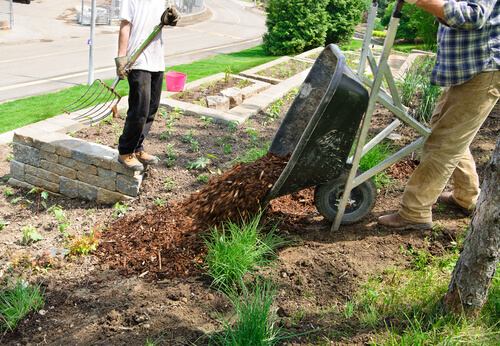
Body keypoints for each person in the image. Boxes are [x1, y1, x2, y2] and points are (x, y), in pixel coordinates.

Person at [378, 0, 500, 230]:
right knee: (445, 133)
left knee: (444, 142)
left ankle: (415, 212)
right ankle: (467, 197)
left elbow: (473, 16)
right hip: (468, 69)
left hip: (483, 68)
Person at [114, 1, 178, 170]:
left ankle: (137, 147)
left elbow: (167, 18)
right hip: (138, 60)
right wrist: (121, 58)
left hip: (157, 59)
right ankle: (125, 151)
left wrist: (172, 18)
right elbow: (125, 26)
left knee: (151, 108)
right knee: (139, 109)